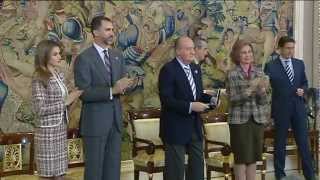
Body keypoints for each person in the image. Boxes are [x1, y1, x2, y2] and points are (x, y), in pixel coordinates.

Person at [73, 16, 133, 180]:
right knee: (94, 172)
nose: (112, 33)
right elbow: (83, 93)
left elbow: (120, 86)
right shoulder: (84, 59)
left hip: (115, 122)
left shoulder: (117, 55)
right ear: (95, 32)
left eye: (112, 29)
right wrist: (112, 90)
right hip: (95, 124)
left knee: (113, 171)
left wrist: (126, 86)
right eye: (107, 30)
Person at [158, 36, 215, 180]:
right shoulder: (168, 70)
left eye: (193, 48)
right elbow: (167, 100)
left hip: (194, 127)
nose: (193, 52)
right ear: (178, 51)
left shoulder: (195, 68)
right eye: (188, 49)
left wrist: (211, 99)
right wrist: (190, 106)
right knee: (175, 172)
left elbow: (197, 94)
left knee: (197, 170)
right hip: (175, 128)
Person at [264, 36, 316, 180]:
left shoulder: (299, 64)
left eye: (292, 48)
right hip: (280, 109)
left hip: (298, 108)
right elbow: (266, 88)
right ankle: (280, 176)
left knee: (303, 143)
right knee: (279, 144)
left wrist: (303, 90)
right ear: (280, 49)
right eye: (287, 48)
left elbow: (305, 83)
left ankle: (310, 176)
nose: (290, 51)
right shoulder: (271, 66)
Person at [31, 40, 82, 180]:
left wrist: (75, 95)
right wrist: (66, 101)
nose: (59, 56)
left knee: (60, 174)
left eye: (59, 53)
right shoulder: (39, 77)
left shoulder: (58, 74)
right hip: (47, 133)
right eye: (55, 54)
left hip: (60, 129)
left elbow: (64, 99)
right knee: (48, 175)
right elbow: (39, 109)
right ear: (45, 56)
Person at [226, 39, 270, 180]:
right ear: (237, 55)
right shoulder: (232, 74)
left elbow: (263, 101)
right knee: (241, 157)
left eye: (249, 52)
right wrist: (250, 89)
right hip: (239, 122)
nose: (247, 55)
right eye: (243, 52)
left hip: (257, 120)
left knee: (253, 157)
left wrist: (262, 91)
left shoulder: (260, 73)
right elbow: (233, 100)